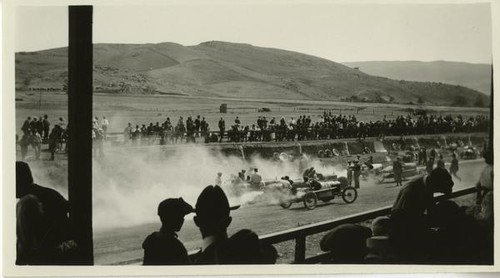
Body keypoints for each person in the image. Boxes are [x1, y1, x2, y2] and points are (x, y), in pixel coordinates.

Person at [193, 185, 276, 264]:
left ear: (196, 221)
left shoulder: (194, 263)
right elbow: (271, 252)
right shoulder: (245, 246)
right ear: (228, 221)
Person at [16, 162, 77, 265]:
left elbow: (27, 244)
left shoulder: (26, 203)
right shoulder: (50, 193)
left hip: (46, 257)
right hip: (63, 251)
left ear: (18, 182)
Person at [390, 167, 454, 262]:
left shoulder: (428, 183)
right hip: (404, 234)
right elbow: (402, 219)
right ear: (435, 184)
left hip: (413, 225)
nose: (437, 192)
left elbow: (429, 210)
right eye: (439, 190)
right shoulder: (410, 192)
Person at [142, 198, 193, 265]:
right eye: (179, 216)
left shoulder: (151, 240)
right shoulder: (176, 247)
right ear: (173, 218)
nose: (182, 220)